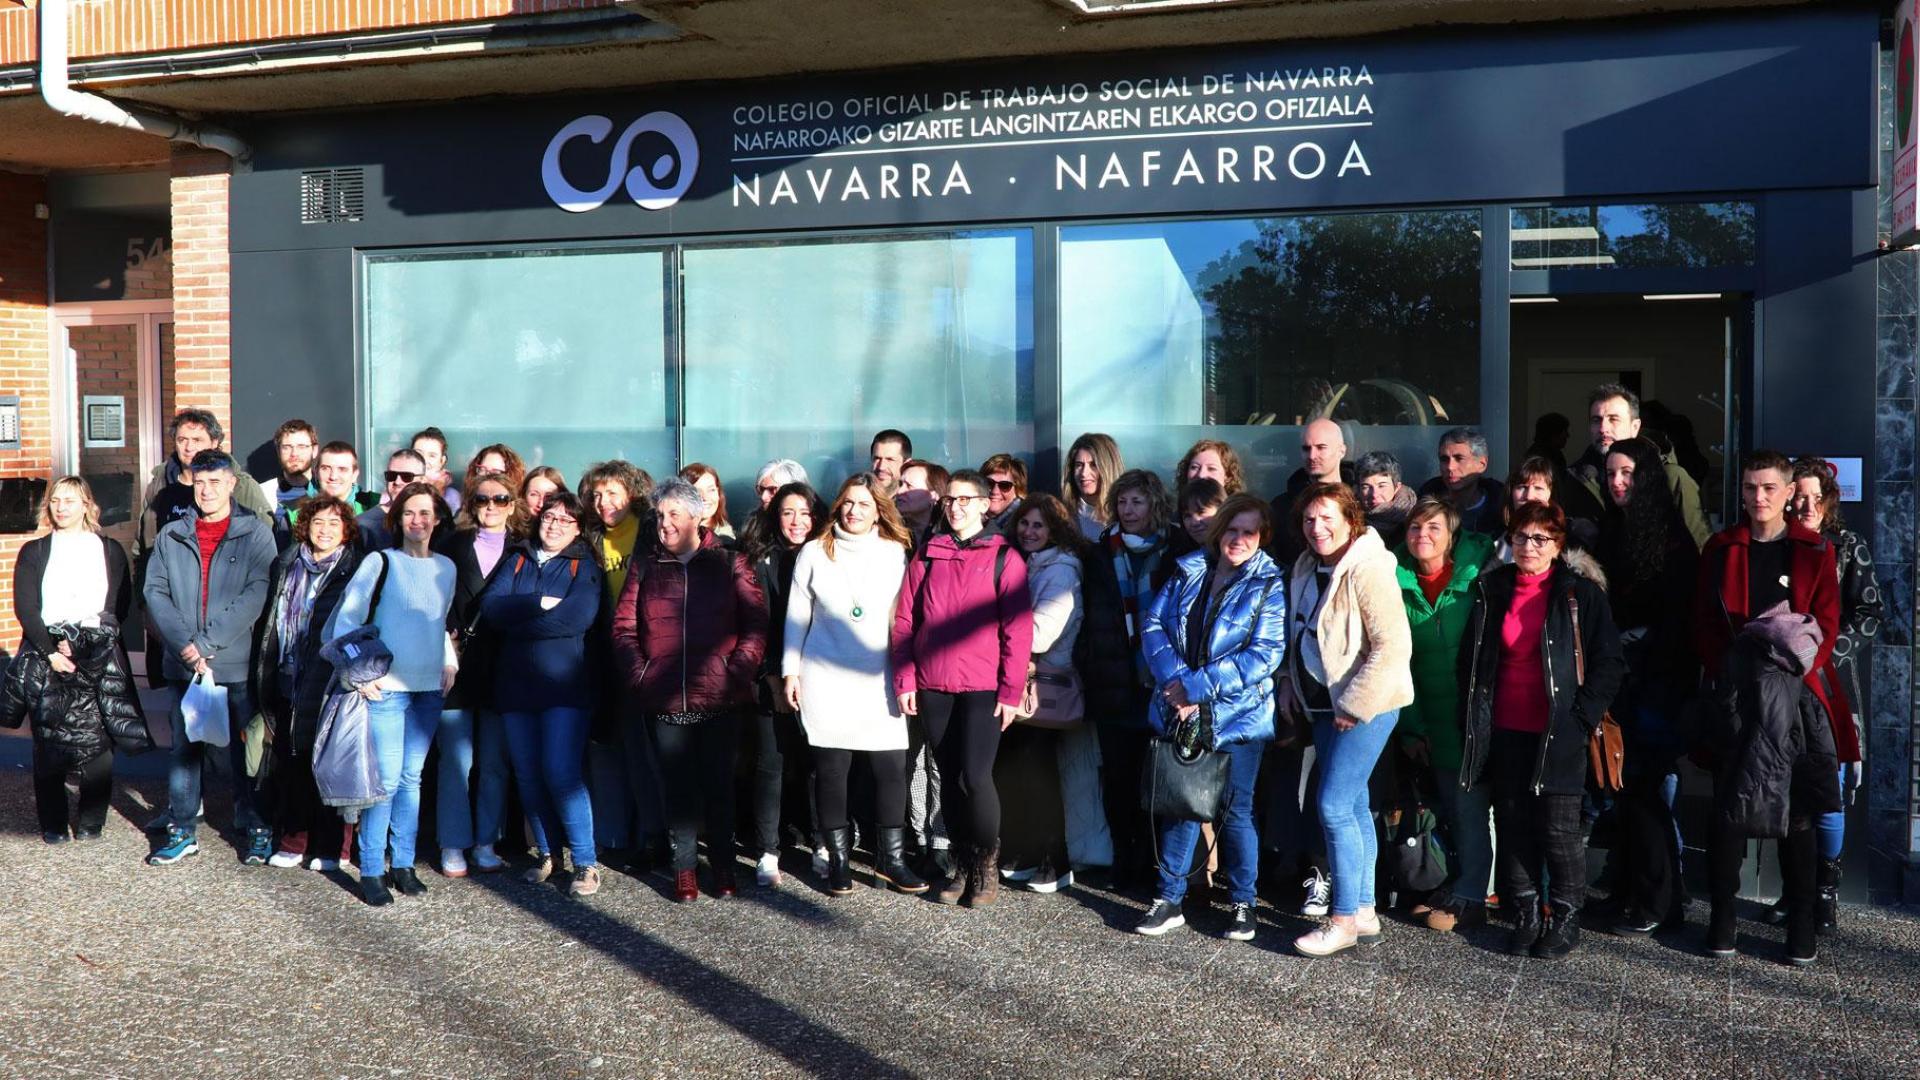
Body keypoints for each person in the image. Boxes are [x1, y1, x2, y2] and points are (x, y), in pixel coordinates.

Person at [1694, 451, 1842, 965]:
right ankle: (1723, 922)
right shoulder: (1720, 548)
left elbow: (1828, 622)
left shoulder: (1815, 550)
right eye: (1751, 488)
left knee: (1797, 813)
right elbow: (1705, 623)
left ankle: (1801, 929)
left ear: (1787, 492)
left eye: (1769, 488)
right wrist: (1729, 668)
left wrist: (1793, 668)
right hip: (1735, 693)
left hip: (1794, 697)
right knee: (1729, 809)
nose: (1759, 497)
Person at [1460, 502, 1625, 960]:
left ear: (1557, 545)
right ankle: (1527, 912)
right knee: (1513, 825)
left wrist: (1580, 718)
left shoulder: (1577, 594)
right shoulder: (1491, 589)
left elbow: (1610, 663)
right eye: (1520, 537)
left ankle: (1566, 914)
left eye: (1540, 539)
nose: (1529, 547)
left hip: (1559, 730)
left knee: (1558, 830)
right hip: (1504, 727)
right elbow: (1472, 662)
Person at [1133, 494, 1287, 941]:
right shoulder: (1189, 570)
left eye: (1249, 532)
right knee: (1181, 807)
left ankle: (1243, 903)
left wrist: (1196, 689)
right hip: (1180, 708)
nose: (1238, 539)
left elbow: (1264, 655)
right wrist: (1177, 684)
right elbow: (1153, 626)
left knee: (1236, 812)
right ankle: (1168, 900)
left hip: (1238, 717)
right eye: (1232, 529)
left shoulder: (1269, 583)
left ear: (1263, 537)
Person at [612, 478, 768, 902]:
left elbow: (755, 626)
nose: (664, 523)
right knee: (677, 788)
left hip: (719, 696)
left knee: (718, 784)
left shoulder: (730, 563)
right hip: (664, 698)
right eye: (660, 515)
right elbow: (624, 627)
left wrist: (734, 672)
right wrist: (642, 675)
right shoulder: (645, 566)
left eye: (673, 515)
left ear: (697, 517)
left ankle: (722, 865)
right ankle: (684, 869)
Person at [1280, 482, 1414, 957]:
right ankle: (1362, 909)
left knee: (1334, 806)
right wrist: (1287, 682)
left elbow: (1393, 646)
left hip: (1366, 707)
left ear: (1350, 521)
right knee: (1354, 807)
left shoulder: (1369, 568)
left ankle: (1340, 922)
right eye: (1309, 520)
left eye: (1327, 518)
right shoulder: (1304, 566)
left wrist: (1354, 705)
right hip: (1322, 706)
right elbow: (1296, 632)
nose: (1317, 528)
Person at [890, 469, 1033, 908]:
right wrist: (906, 678)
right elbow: (903, 622)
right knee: (949, 779)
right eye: (950, 500)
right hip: (934, 685)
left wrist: (1011, 692)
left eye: (965, 500)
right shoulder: (927, 553)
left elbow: (1018, 631)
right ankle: (961, 863)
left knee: (975, 777)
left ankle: (986, 863)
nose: (956, 507)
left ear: (985, 504)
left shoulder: (1004, 557)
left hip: (983, 687)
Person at [783, 474, 928, 895]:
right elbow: (796, 618)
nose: (854, 511)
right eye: (848, 503)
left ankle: (891, 860)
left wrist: (908, 673)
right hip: (825, 677)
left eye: (864, 504)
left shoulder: (894, 552)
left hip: (879, 676)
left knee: (890, 769)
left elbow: (904, 619)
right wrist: (791, 671)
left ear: (878, 509)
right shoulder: (813, 552)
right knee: (832, 772)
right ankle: (839, 860)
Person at [143, 450, 280, 866]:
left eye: (215, 482)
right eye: (199, 483)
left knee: (244, 753)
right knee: (184, 752)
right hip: (184, 664)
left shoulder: (255, 532)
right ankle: (183, 830)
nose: (206, 491)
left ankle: (256, 826)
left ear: (232, 484)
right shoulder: (171, 535)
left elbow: (256, 594)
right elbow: (155, 592)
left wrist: (206, 643)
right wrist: (187, 645)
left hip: (233, 663)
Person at [327, 482, 459, 906]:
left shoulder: (447, 568)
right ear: (397, 519)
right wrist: (359, 675)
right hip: (387, 691)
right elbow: (344, 622)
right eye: (409, 513)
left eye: (425, 513)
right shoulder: (379, 563)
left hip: (429, 690)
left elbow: (436, 623)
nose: (417, 521)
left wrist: (450, 659)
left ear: (437, 519)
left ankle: (402, 863)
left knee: (411, 780)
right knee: (383, 783)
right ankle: (370, 868)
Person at [1593, 437, 1699, 937]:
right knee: (1623, 790)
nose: (1617, 482)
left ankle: (1660, 902)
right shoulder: (1615, 530)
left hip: (1658, 683)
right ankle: (1629, 891)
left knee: (1644, 789)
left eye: (1628, 473)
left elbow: (1678, 622)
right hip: (1622, 679)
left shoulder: (1672, 540)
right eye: (1611, 473)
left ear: (1648, 477)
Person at [480, 491, 607, 897]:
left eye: (565, 521)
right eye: (549, 517)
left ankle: (585, 863)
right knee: (528, 774)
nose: (554, 526)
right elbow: (493, 607)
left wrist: (520, 622)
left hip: (563, 688)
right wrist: (539, 603)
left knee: (560, 772)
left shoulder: (583, 565)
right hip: (516, 685)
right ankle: (550, 854)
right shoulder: (518, 557)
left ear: (578, 528)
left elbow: (578, 618)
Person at [10, 477, 148, 844]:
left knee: (99, 744)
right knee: (49, 741)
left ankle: (91, 821)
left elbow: (119, 605)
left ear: (87, 504)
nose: (61, 507)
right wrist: (53, 650)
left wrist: (89, 646)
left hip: (98, 654)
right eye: (55, 500)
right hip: (47, 653)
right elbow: (26, 608)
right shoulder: (34, 551)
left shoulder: (109, 550)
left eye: (70, 500)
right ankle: (53, 823)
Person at [1393, 497, 1495, 933]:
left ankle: (1473, 894)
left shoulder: (1476, 578)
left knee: (1471, 807)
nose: (1423, 536)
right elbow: (1396, 659)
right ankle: (1454, 885)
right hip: (1425, 716)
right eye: (1415, 529)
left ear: (1451, 536)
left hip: (1472, 715)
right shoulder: (1395, 582)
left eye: (1433, 528)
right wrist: (1411, 727)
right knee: (1447, 806)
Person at [1787, 456, 1879, 929]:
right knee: (1786, 790)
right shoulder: (1778, 546)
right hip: (1783, 685)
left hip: (1832, 683)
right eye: (1797, 495)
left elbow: (1869, 613)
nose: (1804, 505)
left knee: (1829, 789)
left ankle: (1825, 891)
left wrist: (1826, 650)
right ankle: (1794, 888)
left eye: (1813, 497)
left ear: (1828, 501)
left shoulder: (1847, 546)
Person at [1076, 468, 1177, 891]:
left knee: (1157, 783)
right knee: (1117, 781)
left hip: (1160, 685)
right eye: (1122, 502)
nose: (1129, 510)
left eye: (1138, 502)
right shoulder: (1100, 553)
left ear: (1154, 505)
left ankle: (1156, 866)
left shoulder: (1176, 551)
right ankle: (1124, 860)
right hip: (1113, 684)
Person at [252, 495, 364, 871]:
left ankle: (334, 847)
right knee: (293, 760)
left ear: (346, 529)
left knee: (332, 762)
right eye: (318, 522)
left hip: (331, 680)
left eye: (335, 523)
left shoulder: (355, 568)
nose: (325, 530)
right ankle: (294, 840)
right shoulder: (286, 564)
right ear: (305, 526)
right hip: (289, 675)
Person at [432, 472, 525, 877]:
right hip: (456, 665)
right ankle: (453, 842)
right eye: (482, 499)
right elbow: (436, 601)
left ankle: (486, 842)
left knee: (493, 762)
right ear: (471, 503)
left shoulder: (523, 551)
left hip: (504, 668)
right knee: (455, 759)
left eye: (500, 499)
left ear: (513, 504)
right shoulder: (451, 546)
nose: (491, 506)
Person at [995, 493, 1086, 894]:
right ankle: (1028, 852)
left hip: (1044, 683)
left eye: (1039, 525)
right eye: (1025, 524)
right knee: (1018, 771)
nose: (1029, 532)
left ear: (1055, 530)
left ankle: (1056, 858)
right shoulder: (1026, 563)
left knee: (1040, 774)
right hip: (1019, 679)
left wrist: (995, 637)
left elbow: (1042, 632)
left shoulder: (1062, 569)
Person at [747, 480, 827, 886]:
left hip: (824, 678)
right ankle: (767, 850)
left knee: (819, 765)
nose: (796, 521)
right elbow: (756, 624)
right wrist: (774, 678)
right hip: (771, 675)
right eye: (787, 512)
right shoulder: (760, 559)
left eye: (804, 512)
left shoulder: (829, 556)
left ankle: (823, 843)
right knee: (771, 764)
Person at [580, 458, 656, 863]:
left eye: (612, 493)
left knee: (642, 750)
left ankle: (649, 835)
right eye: (596, 494)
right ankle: (612, 836)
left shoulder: (648, 534)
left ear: (631, 494)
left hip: (641, 655)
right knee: (606, 746)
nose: (603, 502)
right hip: (601, 657)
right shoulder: (589, 538)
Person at [1571, 384, 1709, 548]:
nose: (1603, 428)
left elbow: (1701, 549)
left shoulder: (1671, 478)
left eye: (1613, 419)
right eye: (1596, 420)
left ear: (1635, 427)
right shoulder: (1574, 481)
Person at [1417, 427, 1506, 537]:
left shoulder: (1502, 508)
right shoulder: (1424, 501)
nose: (1450, 467)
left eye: (1459, 458)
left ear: (1481, 464)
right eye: (1444, 459)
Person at [258, 419, 318, 544]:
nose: (294, 453)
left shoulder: (326, 489)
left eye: (301, 446)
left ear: (314, 450)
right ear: (278, 451)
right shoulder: (263, 492)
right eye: (287, 447)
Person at [356, 449, 427, 552]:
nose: (397, 482)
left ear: (423, 481)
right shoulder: (364, 525)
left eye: (406, 477)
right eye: (391, 475)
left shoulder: (434, 522)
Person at [738, 459, 810, 557]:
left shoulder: (817, 537)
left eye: (772, 490)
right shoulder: (752, 529)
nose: (763, 497)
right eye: (761, 489)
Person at [1062, 433, 1124, 542]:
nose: (1084, 473)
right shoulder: (1062, 517)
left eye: (1093, 465)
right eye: (1079, 465)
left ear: (1109, 468)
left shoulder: (1126, 513)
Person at [1355, 450, 1417, 550]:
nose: (1374, 494)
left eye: (1382, 486)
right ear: (1358, 489)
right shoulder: (1348, 520)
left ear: (1396, 487)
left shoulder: (1414, 521)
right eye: (1366, 487)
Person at [895, 459, 949, 549]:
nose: (899, 491)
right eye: (900, 484)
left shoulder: (949, 541)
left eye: (909, 485)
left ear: (934, 495)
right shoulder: (892, 535)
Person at [411, 427, 462, 515]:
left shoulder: (453, 497)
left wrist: (438, 492)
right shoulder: (399, 484)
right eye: (418, 453)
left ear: (442, 461)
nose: (424, 459)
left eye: (432, 455)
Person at [1175, 477, 1227, 556]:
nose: (1194, 522)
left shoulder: (1241, 557)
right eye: (1187, 516)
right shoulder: (1176, 559)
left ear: (1221, 510)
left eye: (1201, 512)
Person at [1176, 439, 1245, 495]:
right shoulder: (1178, 510)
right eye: (1194, 467)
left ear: (1228, 476)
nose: (1201, 475)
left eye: (1211, 469)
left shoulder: (1238, 511)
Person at [980, 452, 1028, 532]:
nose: (995, 491)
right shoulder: (968, 520)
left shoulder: (1024, 527)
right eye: (989, 483)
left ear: (1018, 490)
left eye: (1005, 485)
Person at [462, 443, 526, 502]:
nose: (486, 475)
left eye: (495, 472)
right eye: (482, 469)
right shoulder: (464, 511)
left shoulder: (522, 513)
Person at [870, 430, 912, 494]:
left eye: (890, 459)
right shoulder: (857, 499)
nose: (881, 467)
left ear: (906, 464)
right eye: (877, 458)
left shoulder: (915, 502)